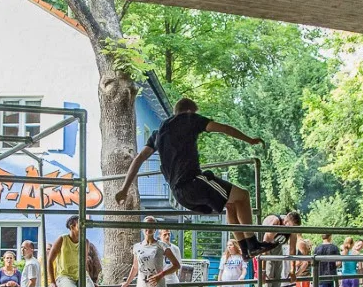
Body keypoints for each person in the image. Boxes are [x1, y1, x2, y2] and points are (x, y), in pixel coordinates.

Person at [114, 98, 279, 259]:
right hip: (193, 183)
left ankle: (244, 249)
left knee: (230, 204)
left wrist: (124, 188)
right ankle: (253, 244)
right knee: (243, 196)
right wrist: (249, 140)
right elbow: (222, 128)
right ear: (189, 111)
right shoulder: (189, 119)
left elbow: (139, 159)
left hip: (180, 194)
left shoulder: (158, 134)